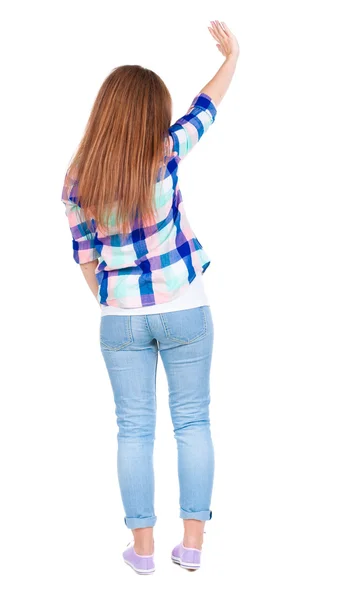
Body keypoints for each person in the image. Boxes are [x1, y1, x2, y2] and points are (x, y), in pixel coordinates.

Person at [61, 20, 239, 574]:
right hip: (187, 306)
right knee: (192, 422)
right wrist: (232, 58)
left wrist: (114, 300)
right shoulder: (165, 153)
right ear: (149, 116)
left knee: (133, 429)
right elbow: (204, 109)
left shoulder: (77, 180)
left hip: (121, 322)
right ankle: (191, 547)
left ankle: (142, 554)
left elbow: (86, 262)